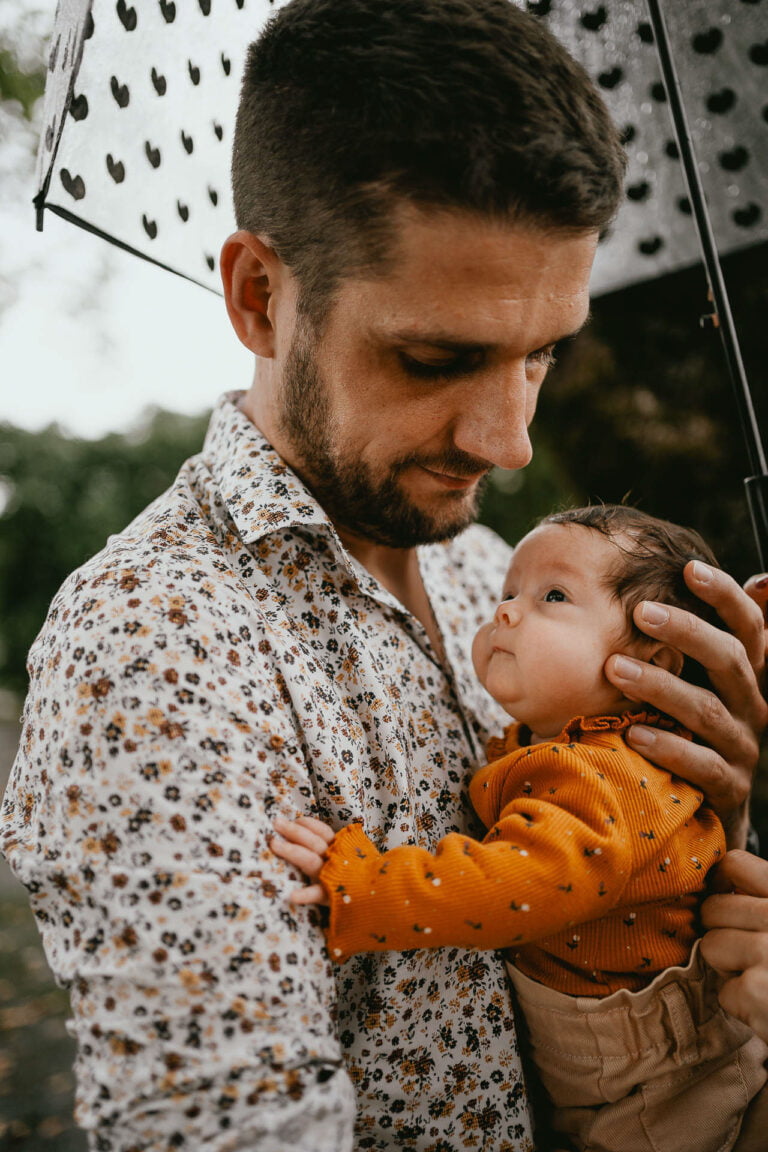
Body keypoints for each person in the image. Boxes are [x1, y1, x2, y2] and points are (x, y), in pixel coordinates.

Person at [1, 2, 767, 1149]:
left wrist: (710, 826)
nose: (509, 442)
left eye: (543, 353)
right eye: (438, 358)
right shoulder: (152, 643)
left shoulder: (485, 574)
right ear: (262, 296)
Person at [270, 504, 768, 1151]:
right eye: (509, 593)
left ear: (654, 659)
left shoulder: (602, 777)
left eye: (552, 596)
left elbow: (517, 886)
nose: (504, 610)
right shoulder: (593, 748)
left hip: (658, 1100)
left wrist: (365, 885)